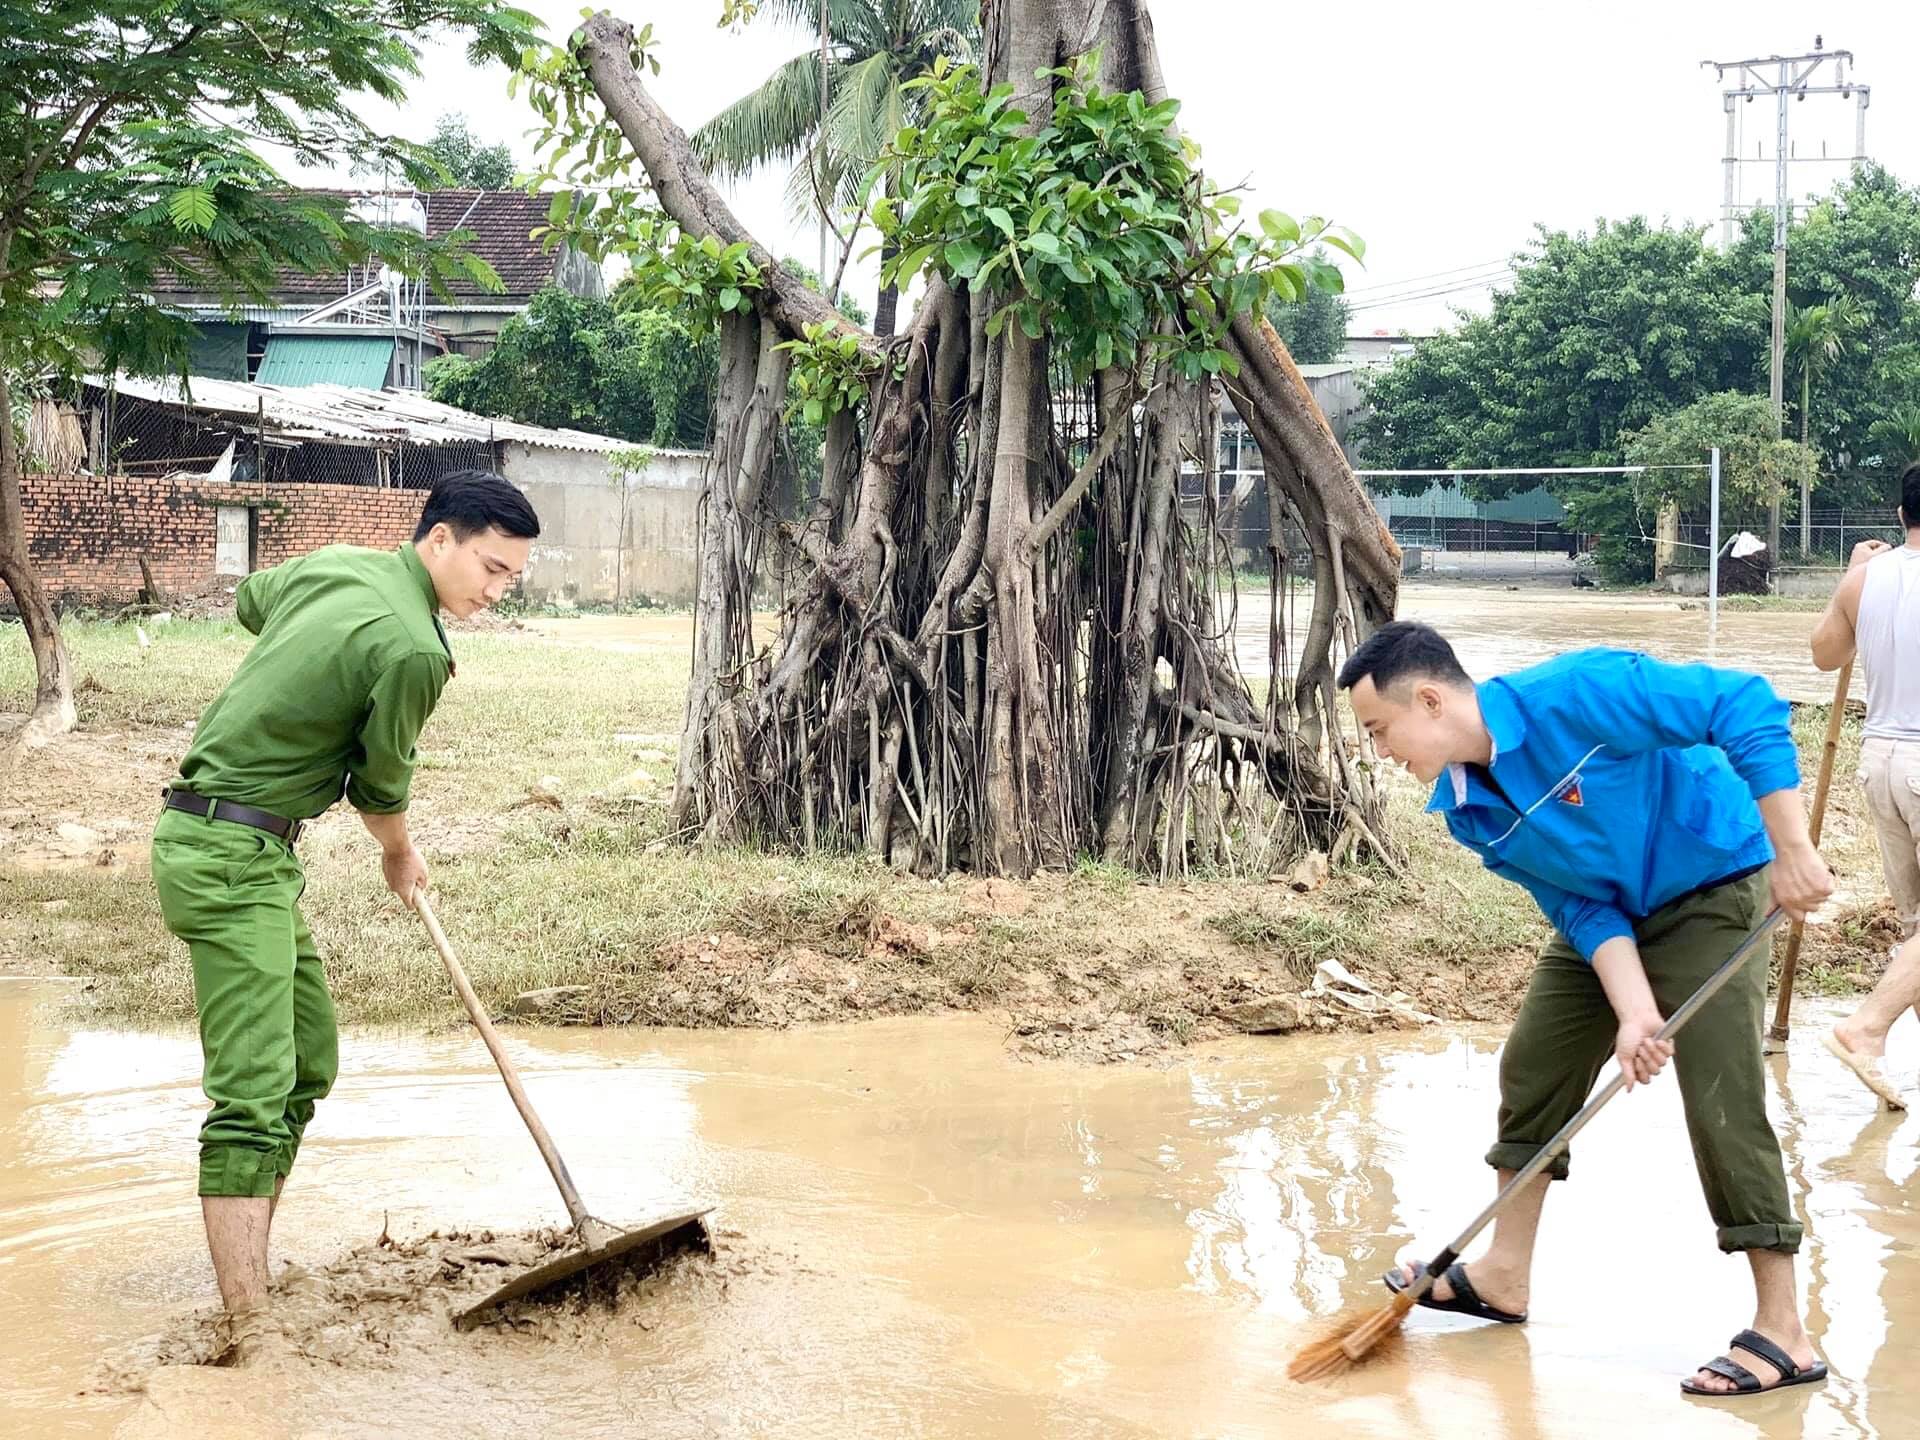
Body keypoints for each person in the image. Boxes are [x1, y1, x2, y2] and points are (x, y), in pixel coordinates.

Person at [1341, 622, 1832, 1399]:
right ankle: (1503, 1275)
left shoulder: (1577, 695)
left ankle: (1785, 1330)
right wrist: (1634, 1009)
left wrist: (1794, 848)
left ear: (1429, 701)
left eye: (1379, 731)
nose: (1380, 752)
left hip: (1710, 882)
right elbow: (1579, 905)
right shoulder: (1469, 809)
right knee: (1536, 1060)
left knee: (1720, 1094)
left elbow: (1744, 704)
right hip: (1613, 918)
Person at [150, 470, 539, 1337]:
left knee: (309, 1060)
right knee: (254, 1092)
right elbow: (379, 784)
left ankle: (247, 1270)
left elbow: (253, 602)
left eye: (511, 577)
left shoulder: (336, 563)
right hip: (226, 855)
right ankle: (248, 1331)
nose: (497, 591)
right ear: (439, 538)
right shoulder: (416, 650)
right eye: (490, 568)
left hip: (244, 846)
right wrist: (400, 855)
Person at [1807, 460, 1920, 1111]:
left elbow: (1824, 655)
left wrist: (1849, 577)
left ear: (1902, 514)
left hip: (1879, 760)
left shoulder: (1865, 579)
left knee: (1916, 928)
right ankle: (1865, 1029)